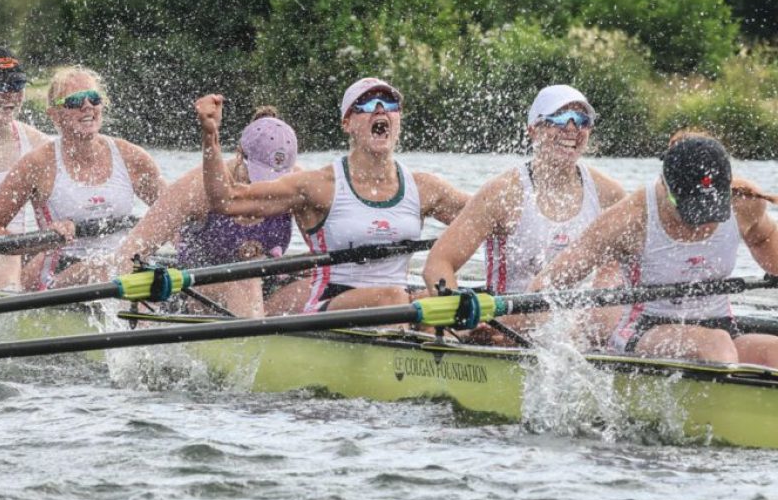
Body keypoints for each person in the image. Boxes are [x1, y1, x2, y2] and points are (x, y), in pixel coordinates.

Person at [197, 77, 469, 311]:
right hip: (330, 308)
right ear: (347, 123)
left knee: (435, 300)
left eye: (388, 104)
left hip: (397, 306)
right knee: (394, 298)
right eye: (366, 104)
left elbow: (489, 219)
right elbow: (227, 199)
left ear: (398, 120)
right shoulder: (319, 186)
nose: (378, 109)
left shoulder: (425, 188)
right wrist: (211, 137)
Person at [531, 134, 778, 367]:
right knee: (716, 345)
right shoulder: (629, 220)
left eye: (712, 208)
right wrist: (505, 330)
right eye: (693, 209)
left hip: (721, 326)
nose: (703, 221)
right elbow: (548, 285)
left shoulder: (745, 204)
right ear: (665, 186)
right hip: (646, 329)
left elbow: (768, 246)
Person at [422, 84, 626, 343]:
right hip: (505, 328)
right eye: (560, 118)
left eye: (582, 121)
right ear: (533, 130)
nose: (572, 129)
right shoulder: (504, 193)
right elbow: (438, 264)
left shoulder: (607, 193)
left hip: (573, 331)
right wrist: (461, 319)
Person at [0, 65, 164, 289]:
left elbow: (171, 214)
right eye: (74, 102)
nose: (87, 107)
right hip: (62, 270)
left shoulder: (132, 157)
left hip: (123, 263)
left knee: (137, 271)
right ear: (54, 114)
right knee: (108, 270)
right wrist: (39, 242)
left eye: (94, 99)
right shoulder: (37, 164)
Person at [111, 109, 309, 317]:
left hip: (266, 286)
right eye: (257, 177)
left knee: (327, 287)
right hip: (199, 289)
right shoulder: (196, 187)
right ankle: (255, 337)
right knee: (245, 283)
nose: (265, 189)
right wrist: (139, 308)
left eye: (275, 179)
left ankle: (270, 329)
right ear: (240, 153)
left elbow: (323, 249)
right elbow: (129, 254)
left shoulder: (297, 184)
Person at [0, 47, 50, 289]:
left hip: (21, 250)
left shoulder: (39, 145)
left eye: (17, 86)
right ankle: (6, 318)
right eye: (1, 87)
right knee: (5, 254)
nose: (11, 95)